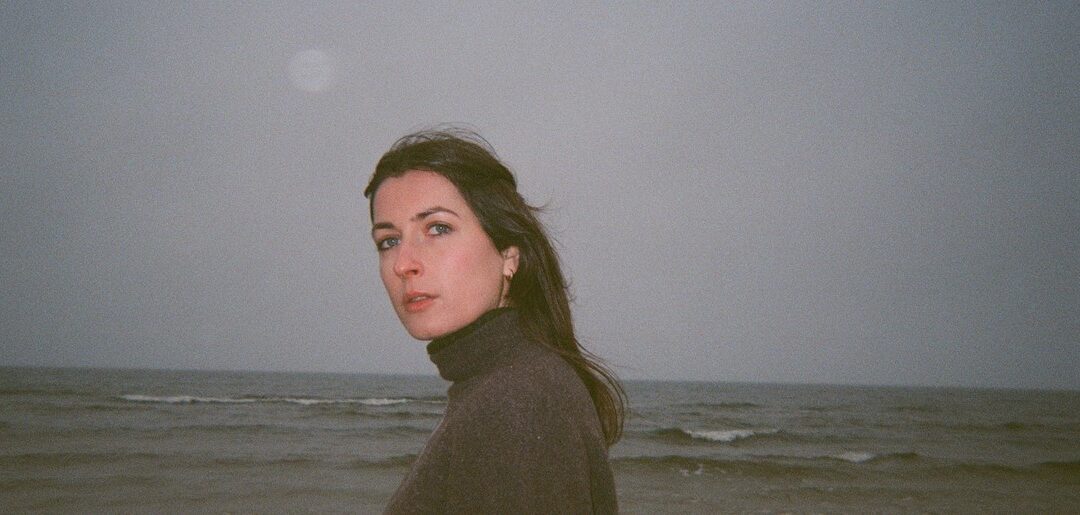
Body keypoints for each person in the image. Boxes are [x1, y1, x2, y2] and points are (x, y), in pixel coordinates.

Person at [365, 129, 625, 514]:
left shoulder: (515, 401)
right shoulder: (512, 384)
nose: (403, 264)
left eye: (437, 229)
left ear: (508, 255)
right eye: (389, 241)